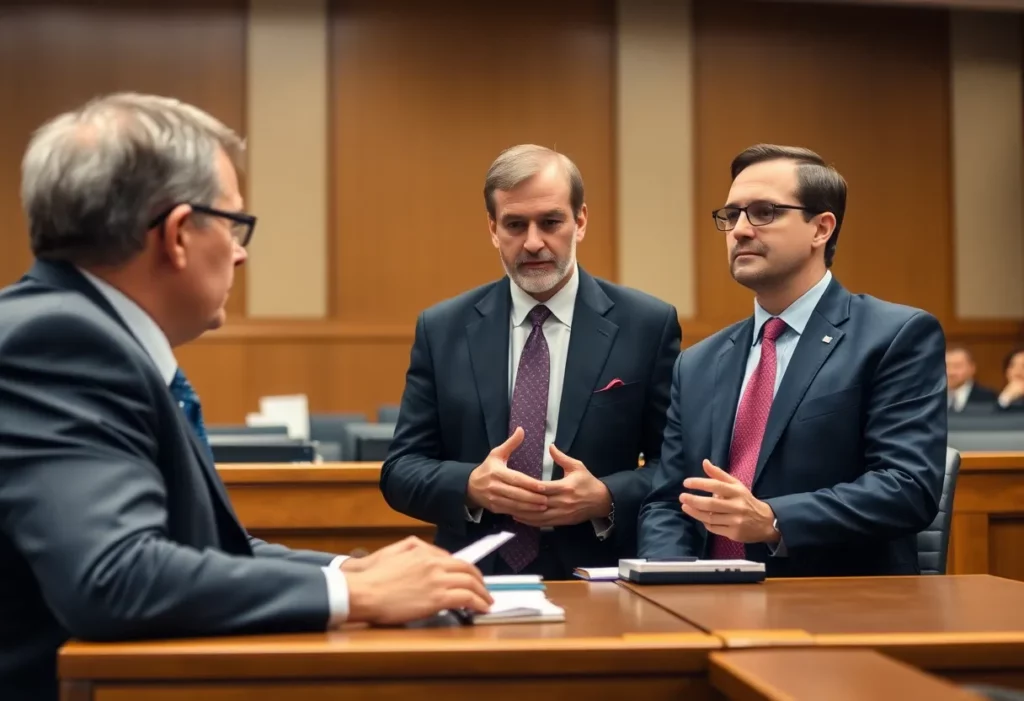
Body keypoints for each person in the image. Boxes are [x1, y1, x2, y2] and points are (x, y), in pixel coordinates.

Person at [0, 93, 490, 701]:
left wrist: (348, 570)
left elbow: (196, 553)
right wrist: (357, 597)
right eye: (233, 224)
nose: (241, 251)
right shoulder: (61, 343)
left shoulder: (75, 332)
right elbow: (114, 576)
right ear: (178, 234)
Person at [637, 144, 946, 577]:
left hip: (834, 608)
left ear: (821, 228)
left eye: (764, 212)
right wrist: (675, 582)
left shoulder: (894, 336)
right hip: (703, 609)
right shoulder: (698, 363)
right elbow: (669, 502)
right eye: (732, 215)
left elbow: (907, 487)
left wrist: (774, 520)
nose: (740, 230)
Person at [380, 144, 681, 579]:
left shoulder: (646, 325)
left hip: (598, 578)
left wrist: (604, 496)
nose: (534, 241)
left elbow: (674, 466)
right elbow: (401, 470)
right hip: (473, 579)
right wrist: (471, 486)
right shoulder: (442, 328)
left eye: (551, 222)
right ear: (492, 228)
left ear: (580, 221)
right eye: (515, 224)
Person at [945, 346, 997, 412]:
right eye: (946, 366)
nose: (950, 372)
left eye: (957, 366)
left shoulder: (988, 397)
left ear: (972, 368)